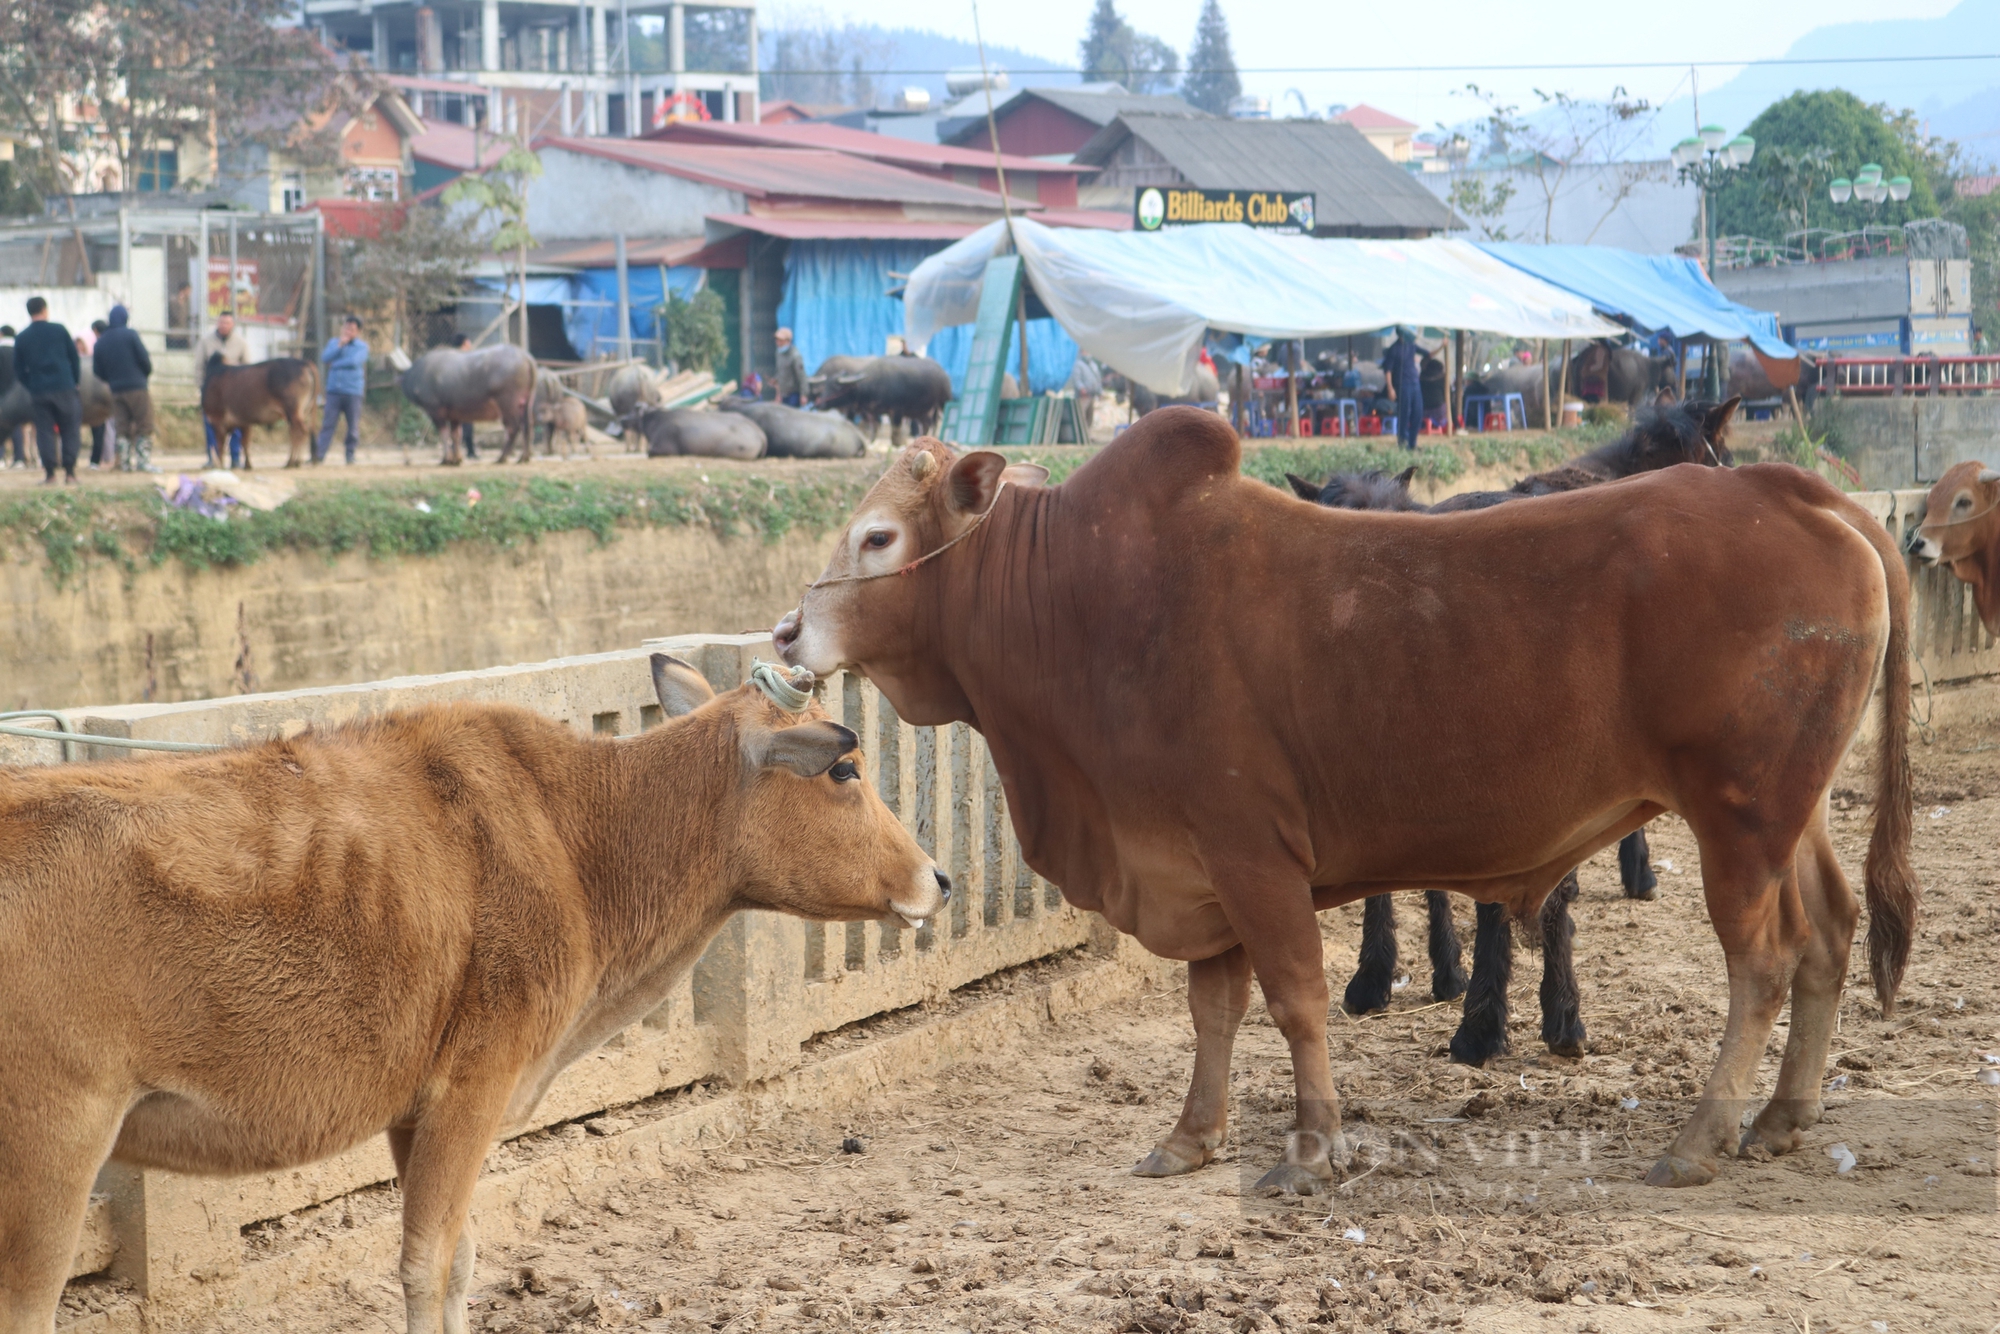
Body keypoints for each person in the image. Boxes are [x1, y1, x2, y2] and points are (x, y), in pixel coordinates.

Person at [15, 296, 83, 485]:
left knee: (44, 431)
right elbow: (74, 358)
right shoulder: (59, 330)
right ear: (45, 310)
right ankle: (70, 473)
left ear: (29, 312)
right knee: (69, 429)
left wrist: (31, 385)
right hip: (64, 387)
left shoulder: (22, 337)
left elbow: (19, 370)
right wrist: (74, 381)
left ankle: (50, 475)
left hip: (39, 390)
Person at [92, 304, 156, 473]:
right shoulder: (131, 335)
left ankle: (124, 463)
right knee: (144, 423)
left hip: (116, 390)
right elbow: (144, 359)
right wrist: (144, 375)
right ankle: (143, 462)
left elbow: (97, 370)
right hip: (137, 387)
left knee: (122, 426)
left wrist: (112, 380)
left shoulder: (101, 341)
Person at [196, 310, 248, 466]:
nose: (224, 325)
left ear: (232, 325)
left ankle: (235, 458)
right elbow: (199, 367)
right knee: (211, 424)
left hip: (235, 395)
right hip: (214, 395)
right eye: (221, 322)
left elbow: (247, 367)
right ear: (217, 323)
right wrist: (202, 388)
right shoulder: (206, 342)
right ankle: (214, 458)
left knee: (237, 425)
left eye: (227, 323)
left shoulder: (241, 343)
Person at [314, 315, 368, 465]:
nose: (348, 331)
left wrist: (335, 364)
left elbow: (354, 362)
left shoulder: (362, 347)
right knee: (327, 424)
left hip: (353, 391)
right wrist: (340, 345)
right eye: (346, 328)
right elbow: (325, 358)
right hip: (333, 391)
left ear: (357, 331)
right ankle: (319, 455)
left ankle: (350, 455)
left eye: (352, 329)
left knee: (352, 426)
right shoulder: (334, 343)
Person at [1379, 326, 1422, 450]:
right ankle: (1403, 443)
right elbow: (1388, 370)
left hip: (1415, 384)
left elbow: (1427, 353)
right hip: (1403, 385)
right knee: (1404, 413)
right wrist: (1390, 388)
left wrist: (1442, 346)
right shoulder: (1394, 349)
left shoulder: (1412, 346)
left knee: (1417, 413)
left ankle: (1413, 443)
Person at [449, 333, 478, 459]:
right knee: (466, 423)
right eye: (469, 341)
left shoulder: (452, 357)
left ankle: (459, 448)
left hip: (454, 393)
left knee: (458, 423)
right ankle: (468, 450)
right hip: (464, 394)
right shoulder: (466, 357)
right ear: (465, 343)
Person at [773, 327, 806, 407]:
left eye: (781, 340)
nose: (778, 343)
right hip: (784, 394)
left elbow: (801, 376)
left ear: (788, 341)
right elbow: (781, 371)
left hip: (793, 394)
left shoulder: (795, 356)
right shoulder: (779, 354)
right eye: (777, 340)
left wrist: (804, 394)